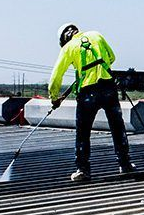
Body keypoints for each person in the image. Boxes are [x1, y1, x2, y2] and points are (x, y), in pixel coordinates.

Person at [49, 22, 135, 181]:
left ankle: (83, 170)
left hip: (88, 92)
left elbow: (55, 77)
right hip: (108, 87)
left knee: (83, 131)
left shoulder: (68, 48)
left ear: (64, 39)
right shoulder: (96, 35)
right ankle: (125, 164)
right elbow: (112, 57)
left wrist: (55, 98)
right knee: (117, 126)